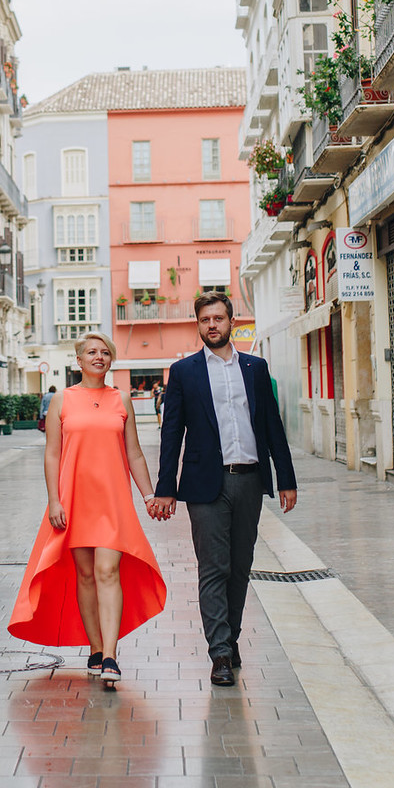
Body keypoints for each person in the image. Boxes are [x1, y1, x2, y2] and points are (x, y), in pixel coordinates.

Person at [146, 292, 296, 688]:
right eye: (204, 320)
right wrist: (165, 488)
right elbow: (171, 434)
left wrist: (287, 478)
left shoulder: (255, 368)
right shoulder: (184, 373)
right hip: (203, 485)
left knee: (240, 568)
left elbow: (271, 427)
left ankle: (229, 636)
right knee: (213, 568)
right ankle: (220, 654)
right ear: (198, 325)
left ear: (232, 321)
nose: (211, 325)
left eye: (218, 318)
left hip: (249, 479)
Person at [10, 333, 165, 690]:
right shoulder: (62, 400)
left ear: (111, 360)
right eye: (92, 352)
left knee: (108, 570)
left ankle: (110, 654)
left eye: (105, 352)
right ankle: (95, 648)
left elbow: (135, 454)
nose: (99, 356)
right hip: (74, 499)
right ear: (78, 360)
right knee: (85, 576)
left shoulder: (120, 399)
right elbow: (52, 453)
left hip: (112, 501)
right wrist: (54, 500)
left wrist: (148, 495)